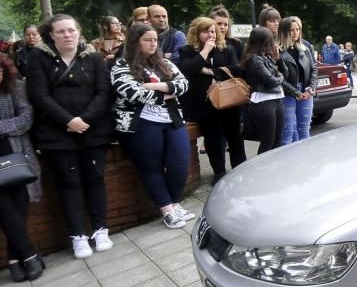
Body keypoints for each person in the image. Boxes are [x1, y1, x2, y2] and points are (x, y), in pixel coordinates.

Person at [26, 14, 114, 259]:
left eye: (71, 30)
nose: (67, 35)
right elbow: (39, 96)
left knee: (95, 179)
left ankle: (100, 229)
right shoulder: (38, 58)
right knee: (68, 184)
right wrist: (68, 121)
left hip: (92, 130)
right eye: (61, 31)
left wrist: (85, 120)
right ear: (51, 35)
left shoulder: (94, 57)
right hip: (57, 134)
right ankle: (78, 235)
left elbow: (104, 93)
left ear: (78, 32)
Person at [110, 23, 193, 229]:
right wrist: (169, 92)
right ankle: (167, 210)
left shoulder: (165, 63)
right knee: (151, 167)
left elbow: (184, 85)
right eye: (147, 39)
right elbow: (133, 92)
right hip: (141, 124)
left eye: (155, 40)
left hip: (172, 119)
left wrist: (154, 86)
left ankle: (175, 204)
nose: (153, 43)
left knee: (180, 162)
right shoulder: (121, 65)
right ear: (134, 41)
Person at [177, 17, 246, 185]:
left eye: (213, 31)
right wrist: (205, 51)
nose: (211, 35)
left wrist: (210, 71)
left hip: (229, 101)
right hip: (204, 104)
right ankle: (219, 173)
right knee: (213, 140)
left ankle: (240, 170)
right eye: (206, 31)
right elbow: (188, 70)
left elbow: (237, 69)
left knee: (235, 138)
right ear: (196, 33)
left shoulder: (227, 49)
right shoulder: (186, 51)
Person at [0, 55, 44, 282]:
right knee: (4, 209)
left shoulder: (15, 87)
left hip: (18, 159)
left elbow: (26, 119)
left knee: (18, 207)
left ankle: (14, 258)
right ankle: (28, 255)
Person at [241, 27, 285, 154]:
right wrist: (280, 76)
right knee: (267, 143)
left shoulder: (266, 57)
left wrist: (278, 59)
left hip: (276, 100)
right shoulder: (254, 59)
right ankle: (262, 171)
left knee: (277, 142)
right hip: (264, 102)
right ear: (264, 42)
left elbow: (284, 73)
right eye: (270, 41)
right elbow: (271, 81)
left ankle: (275, 170)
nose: (273, 44)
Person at [277, 16, 316, 144]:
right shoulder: (277, 51)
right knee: (288, 132)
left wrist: (311, 88)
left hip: (305, 93)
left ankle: (305, 161)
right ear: (284, 32)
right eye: (291, 30)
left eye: (297, 29)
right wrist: (295, 92)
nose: (295, 33)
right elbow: (278, 76)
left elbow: (313, 70)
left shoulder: (304, 48)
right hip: (287, 94)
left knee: (304, 130)